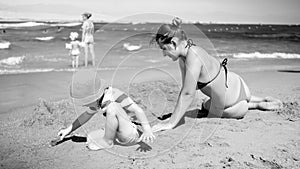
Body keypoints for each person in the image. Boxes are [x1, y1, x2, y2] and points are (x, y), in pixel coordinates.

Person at [151, 17, 282, 132]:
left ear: (173, 43)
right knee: (209, 102)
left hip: (233, 107)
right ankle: (259, 99)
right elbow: (188, 89)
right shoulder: (190, 54)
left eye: (164, 49)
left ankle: (254, 104)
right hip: (239, 83)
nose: (164, 54)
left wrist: (171, 123)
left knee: (207, 106)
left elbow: (187, 93)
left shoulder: (193, 57)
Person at [58, 69, 155, 150]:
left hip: (130, 133)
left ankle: (107, 142)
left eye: (85, 101)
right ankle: (109, 138)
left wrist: (147, 130)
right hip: (117, 134)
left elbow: (137, 110)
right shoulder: (98, 101)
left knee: (113, 107)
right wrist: (68, 130)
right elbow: (85, 116)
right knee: (90, 137)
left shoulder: (114, 95)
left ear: (94, 97)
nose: (83, 105)